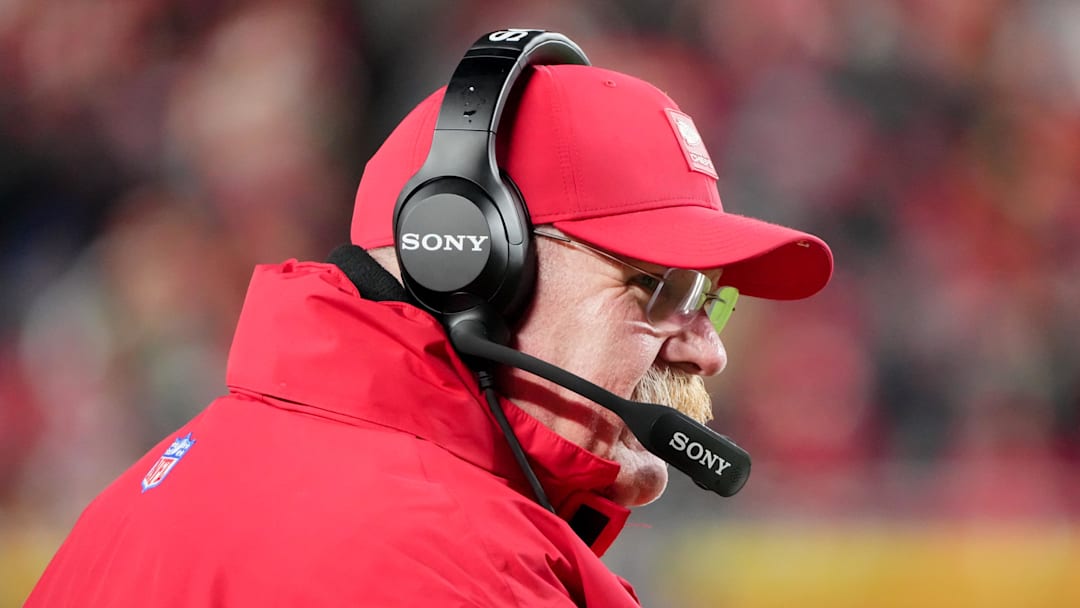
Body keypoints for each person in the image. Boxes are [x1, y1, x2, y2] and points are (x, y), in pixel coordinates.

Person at [26, 35, 832, 607]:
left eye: (707, 298)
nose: (710, 350)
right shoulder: (458, 567)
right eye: (659, 287)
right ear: (472, 263)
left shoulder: (144, 495)